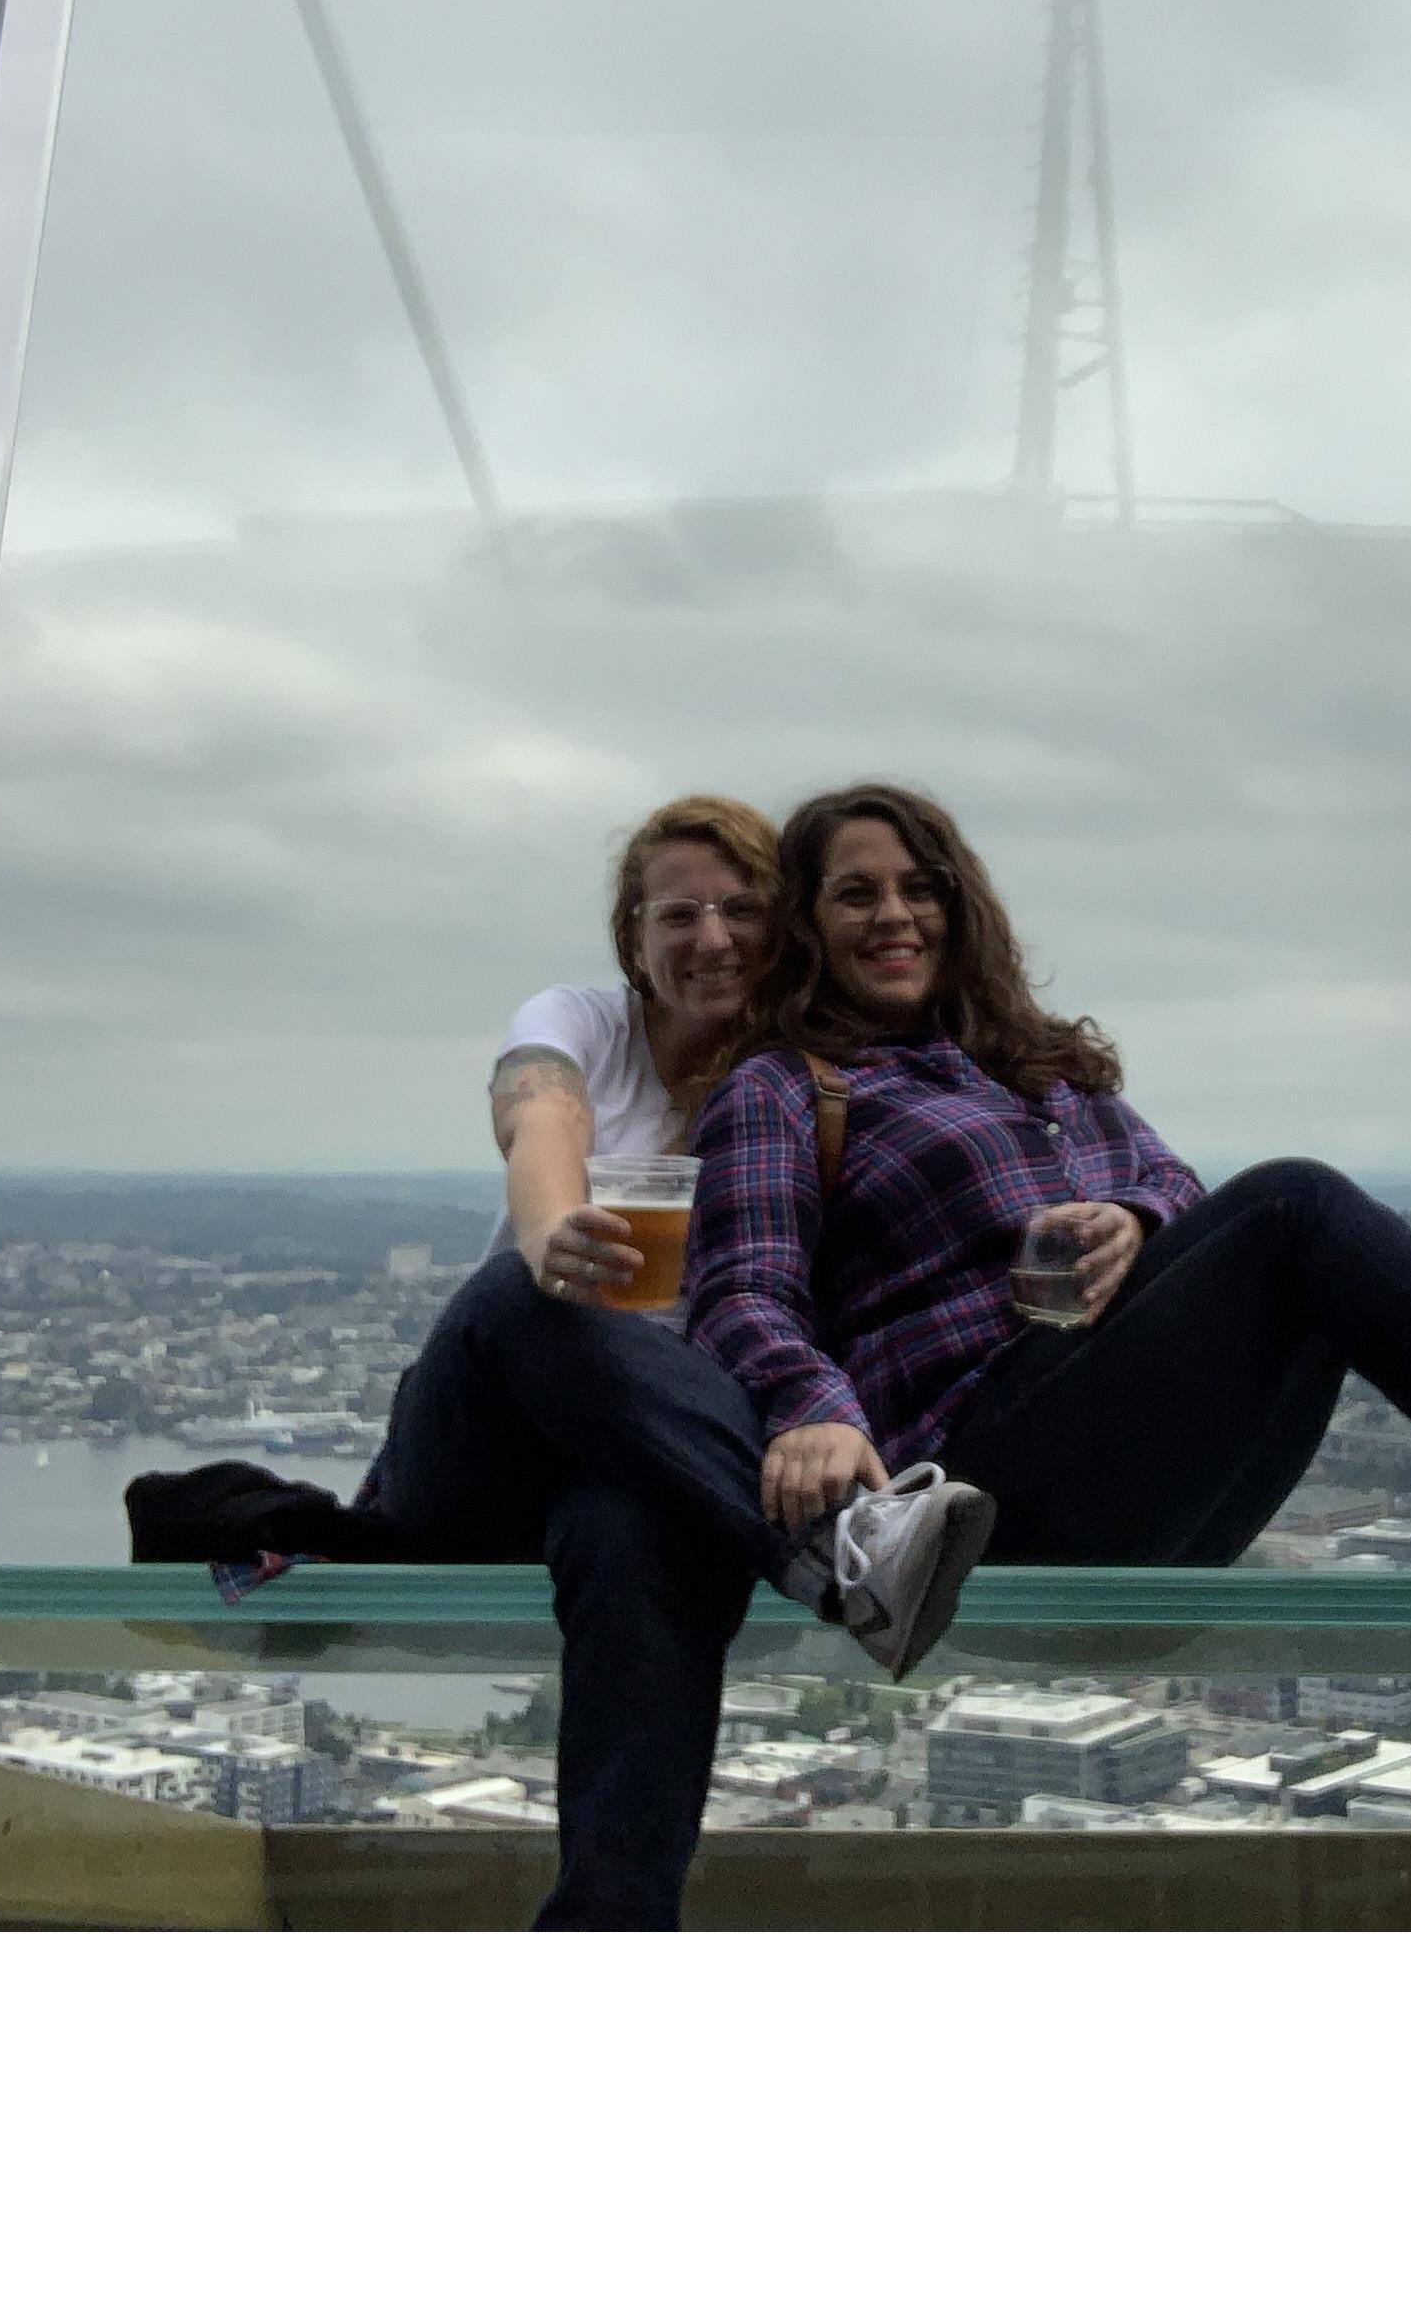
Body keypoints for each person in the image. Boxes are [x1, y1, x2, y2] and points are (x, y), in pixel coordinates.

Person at [126, 792, 997, 1931]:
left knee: (627, 1534)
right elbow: (542, 1121)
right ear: (631, 939)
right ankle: (833, 1559)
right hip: (486, 1441)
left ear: (780, 931)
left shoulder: (806, 1081)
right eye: (674, 914)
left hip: (656, 1471)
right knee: (513, 1299)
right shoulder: (583, 1024)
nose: (710, 938)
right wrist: (549, 1235)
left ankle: (609, 1928)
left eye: (740, 909)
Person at [683, 781, 1411, 1578]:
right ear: (810, 926)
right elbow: (739, 1292)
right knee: (1295, 1204)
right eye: (856, 893)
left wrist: (1135, 1218)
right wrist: (815, 1413)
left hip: (1144, 1482)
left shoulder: (1042, 1070)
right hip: (977, 1484)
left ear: (957, 904)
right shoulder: (789, 1087)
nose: (894, 915)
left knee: (1301, 1259)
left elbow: (1171, 1181)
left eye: (919, 887)